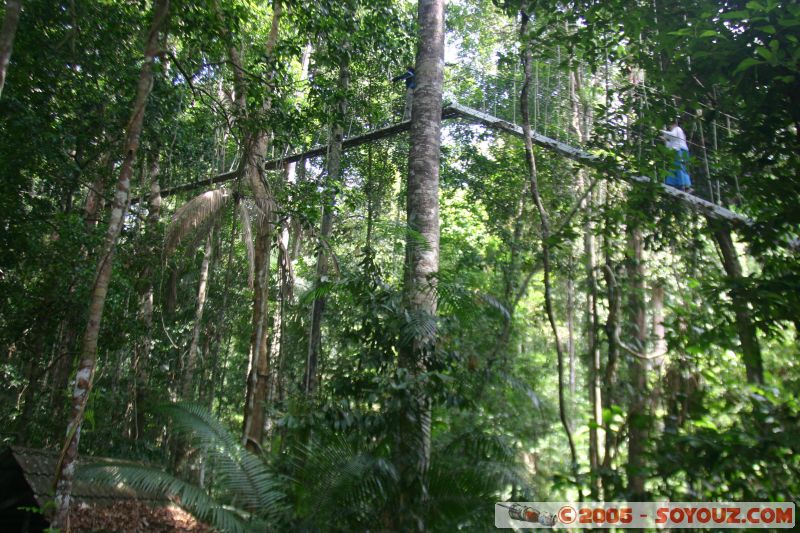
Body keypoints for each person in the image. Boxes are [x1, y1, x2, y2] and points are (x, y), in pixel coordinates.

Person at [661, 120, 693, 192]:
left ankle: (685, 185)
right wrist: (665, 141)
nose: (670, 127)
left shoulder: (678, 129)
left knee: (680, 167)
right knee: (673, 168)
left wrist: (663, 132)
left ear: (674, 124)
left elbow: (673, 135)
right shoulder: (674, 133)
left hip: (681, 151)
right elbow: (670, 146)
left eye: (670, 125)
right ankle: (671, 184)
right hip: (676, 151)